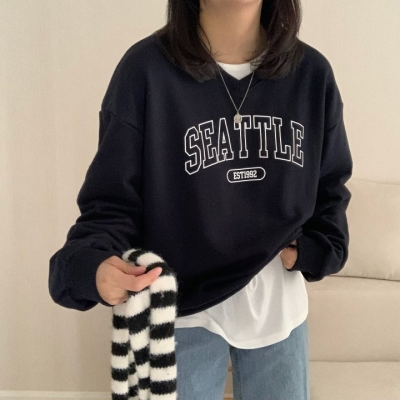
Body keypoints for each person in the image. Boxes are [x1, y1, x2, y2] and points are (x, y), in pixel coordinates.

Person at [48, 0, 353, 399]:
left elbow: (330, 184)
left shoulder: (311, 74)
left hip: (278, 309)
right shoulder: (146, 70)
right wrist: (91, 264)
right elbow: (112, 198)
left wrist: (317, 250)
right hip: (181, 312)